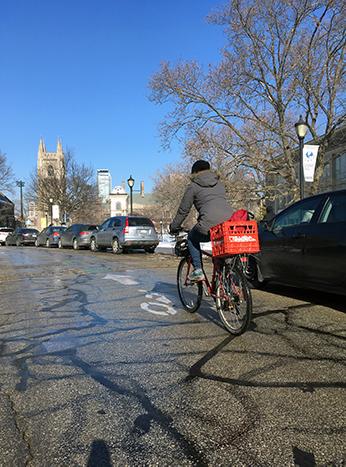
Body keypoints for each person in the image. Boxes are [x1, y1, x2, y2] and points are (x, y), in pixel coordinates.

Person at [169, 160, 233, 281]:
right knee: (221, 249)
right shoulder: (220, 184)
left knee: (192, 238)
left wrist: (174, 226)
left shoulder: (193, 186)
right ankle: (227, 280)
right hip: (228, 223)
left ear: (194, 173)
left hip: (208, 224)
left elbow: (183, 211)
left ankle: (198, 270)